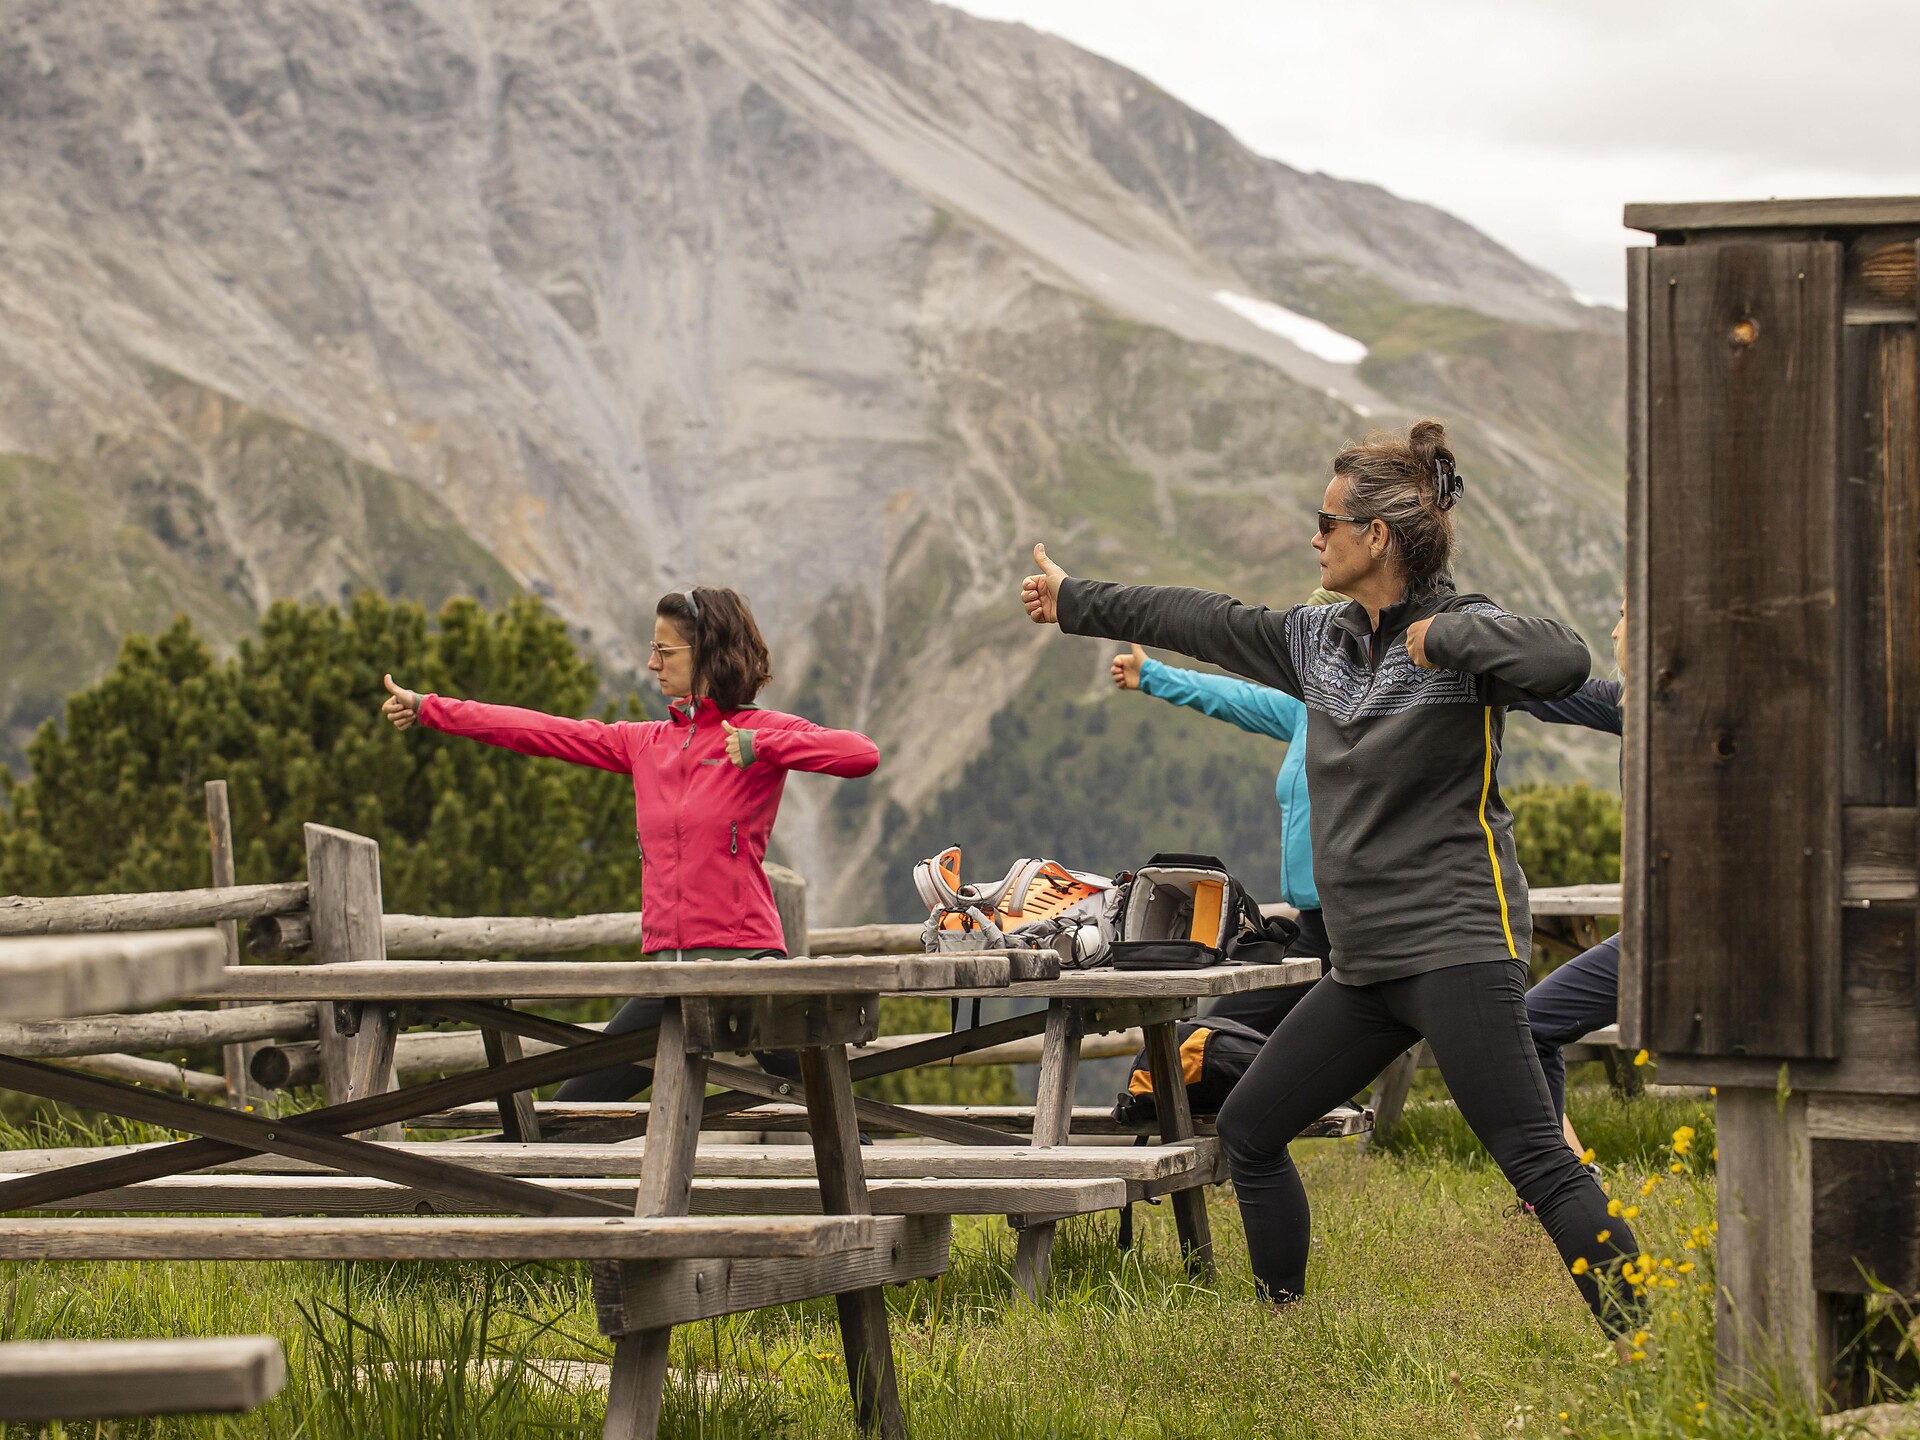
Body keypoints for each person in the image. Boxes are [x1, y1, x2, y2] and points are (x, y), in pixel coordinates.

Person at [1020, 419, 1639, 1333]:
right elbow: (1199, 616)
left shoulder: (1467, 632)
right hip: (1367, 969)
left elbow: (1566, 660)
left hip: (1458, 951)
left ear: (1375, 537)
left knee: (1537, 1161)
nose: (1315, 537)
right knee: (1253, 1130)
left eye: (1327, 521)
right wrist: (1078, 600)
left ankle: (1647, 1344)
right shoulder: (1315, 640)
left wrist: (1451, 642)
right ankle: (1285, 1334)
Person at [379, 585, 879, 1099]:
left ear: (708, 653)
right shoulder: (644, 743)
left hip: (748, 971)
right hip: (669, 982)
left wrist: (762, 745)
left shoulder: (756, 732)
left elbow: (861, 754)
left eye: (664, 652)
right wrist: (429, 708)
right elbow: (536, 729)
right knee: (571, 1112)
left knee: (832, 1113)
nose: (651, 663)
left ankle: (875, 1181)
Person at [1106, 588, 1348, 1034]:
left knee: (1210, 1037)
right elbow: (1237, 699)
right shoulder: (1306, 711)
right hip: (1315, 925)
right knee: (1250, 1041)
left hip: (1349, 927)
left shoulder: (1366, 717)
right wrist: (1154, 677)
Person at [1513, 604, 1627, 1158]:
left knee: (1531, 1026)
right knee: (1531, 1026)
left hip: (1694, 933)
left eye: (1627, 614)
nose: (1613, 629)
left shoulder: (1684, 710)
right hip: (1659, 935)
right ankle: (1566, 1182)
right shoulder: (1631, 707)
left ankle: (1562, 1185)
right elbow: (1543, 697)